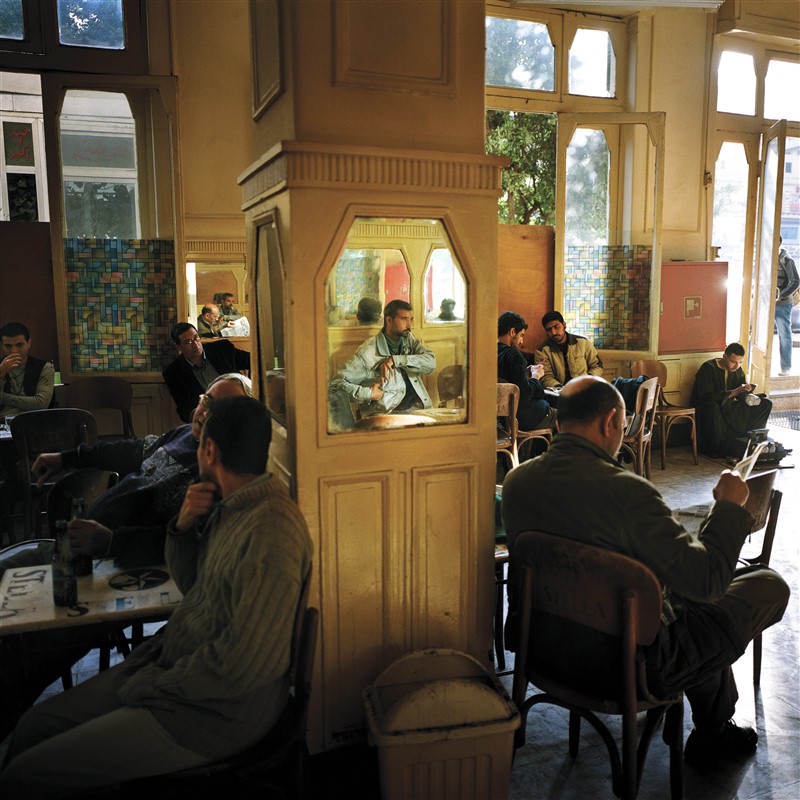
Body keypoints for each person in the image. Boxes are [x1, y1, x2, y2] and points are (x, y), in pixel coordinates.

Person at [0, 395, 313, 798]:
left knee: (24, 776)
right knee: (32, 728)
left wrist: (152, 684)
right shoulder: (230, 505)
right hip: (173, 672)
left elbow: (239, 666)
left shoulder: (270, 533)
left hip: (209, 715)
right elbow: (193, 587)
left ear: (210, 450)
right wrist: (182, 526)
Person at [501, 375, 789, 768]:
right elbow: (706, 582)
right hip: (625, 666)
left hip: (544, 648)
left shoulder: (518, 482)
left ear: (557, 422)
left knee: (688, 604)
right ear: (611, 422)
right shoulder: (628, 492)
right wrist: (728, 509)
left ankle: (716, 725)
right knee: (764, 585)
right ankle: (714, 730)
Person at [0, 374, 252, 742]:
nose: (203, 412)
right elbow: (131, 450)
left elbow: (178, 543)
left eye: (218, 408)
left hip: (108, 571)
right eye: (204, 399)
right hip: (73, 545)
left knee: (22, 647)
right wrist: (68, 457)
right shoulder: (182, 434)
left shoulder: (218, 475)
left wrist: (110, 542)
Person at [330, 299, 436, 417]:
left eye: (410, 319)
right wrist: (368, 393)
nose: (409, 326)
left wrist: (395, 360)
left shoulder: (409, 339)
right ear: (389, 320)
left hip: (418, 410)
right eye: (404, 319)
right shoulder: (368, 353)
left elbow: (431, 363)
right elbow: (335, 386)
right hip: (388, 415)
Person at [691, 342, 773, 457]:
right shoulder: (708, 368)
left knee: (766, 403)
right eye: (733, 362)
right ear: (725, 356)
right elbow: (706, 396)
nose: (736, 366)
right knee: (712, 407)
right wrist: (733, 392)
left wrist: (747, 391)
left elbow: (740, 394)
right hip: (710, 407)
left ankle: (752, 441)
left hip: (731, 407)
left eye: (740, 362)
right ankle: (720, 447)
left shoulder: (737, 370)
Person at [163, 322, 250, 423]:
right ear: (179, 347)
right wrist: (200, 414)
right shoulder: (173, 373)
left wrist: (251, 387)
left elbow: (254, 360)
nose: (195, 345)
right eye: (188, 342)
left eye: (196, 338)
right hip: (211, 420)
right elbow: (185, 410)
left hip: (240, 407)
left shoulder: (222, 349)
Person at [497, 311, 556, 432]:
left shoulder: (490, 352)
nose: (521, 341)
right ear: (512, 332)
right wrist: (535, 376)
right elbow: (524, 395)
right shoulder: (514, 355)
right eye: (521, 335)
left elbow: (510, 381)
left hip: (502, 419)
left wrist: (525, 373)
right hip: (524, 418)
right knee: (569, 416)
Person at [534, 311, 602, 390]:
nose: (553, 332)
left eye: (556, 327)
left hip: (585, 389)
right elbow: (545, 376)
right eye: (549, 330)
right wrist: (560, 389)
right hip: (559, 392)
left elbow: (597, 366)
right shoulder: (542, 351)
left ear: (564, 325)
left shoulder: (583, 343)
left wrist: (587, 381)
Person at [0, 322, 54, 418]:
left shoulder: (45, 368)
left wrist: (3, 397)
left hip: (34, 421)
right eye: (8, 346)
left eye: (19, 345)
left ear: (29, 343)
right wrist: (1, 373)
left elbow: (41, 403)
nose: (14, 351)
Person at [776, 236, 799, 377]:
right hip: (766, 302)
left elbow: (796, 281)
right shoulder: (765, 256)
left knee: (784, 335)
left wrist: (781, 295)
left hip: (783, 304)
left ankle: (786, 368)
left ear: (778, 243)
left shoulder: (787, 260)